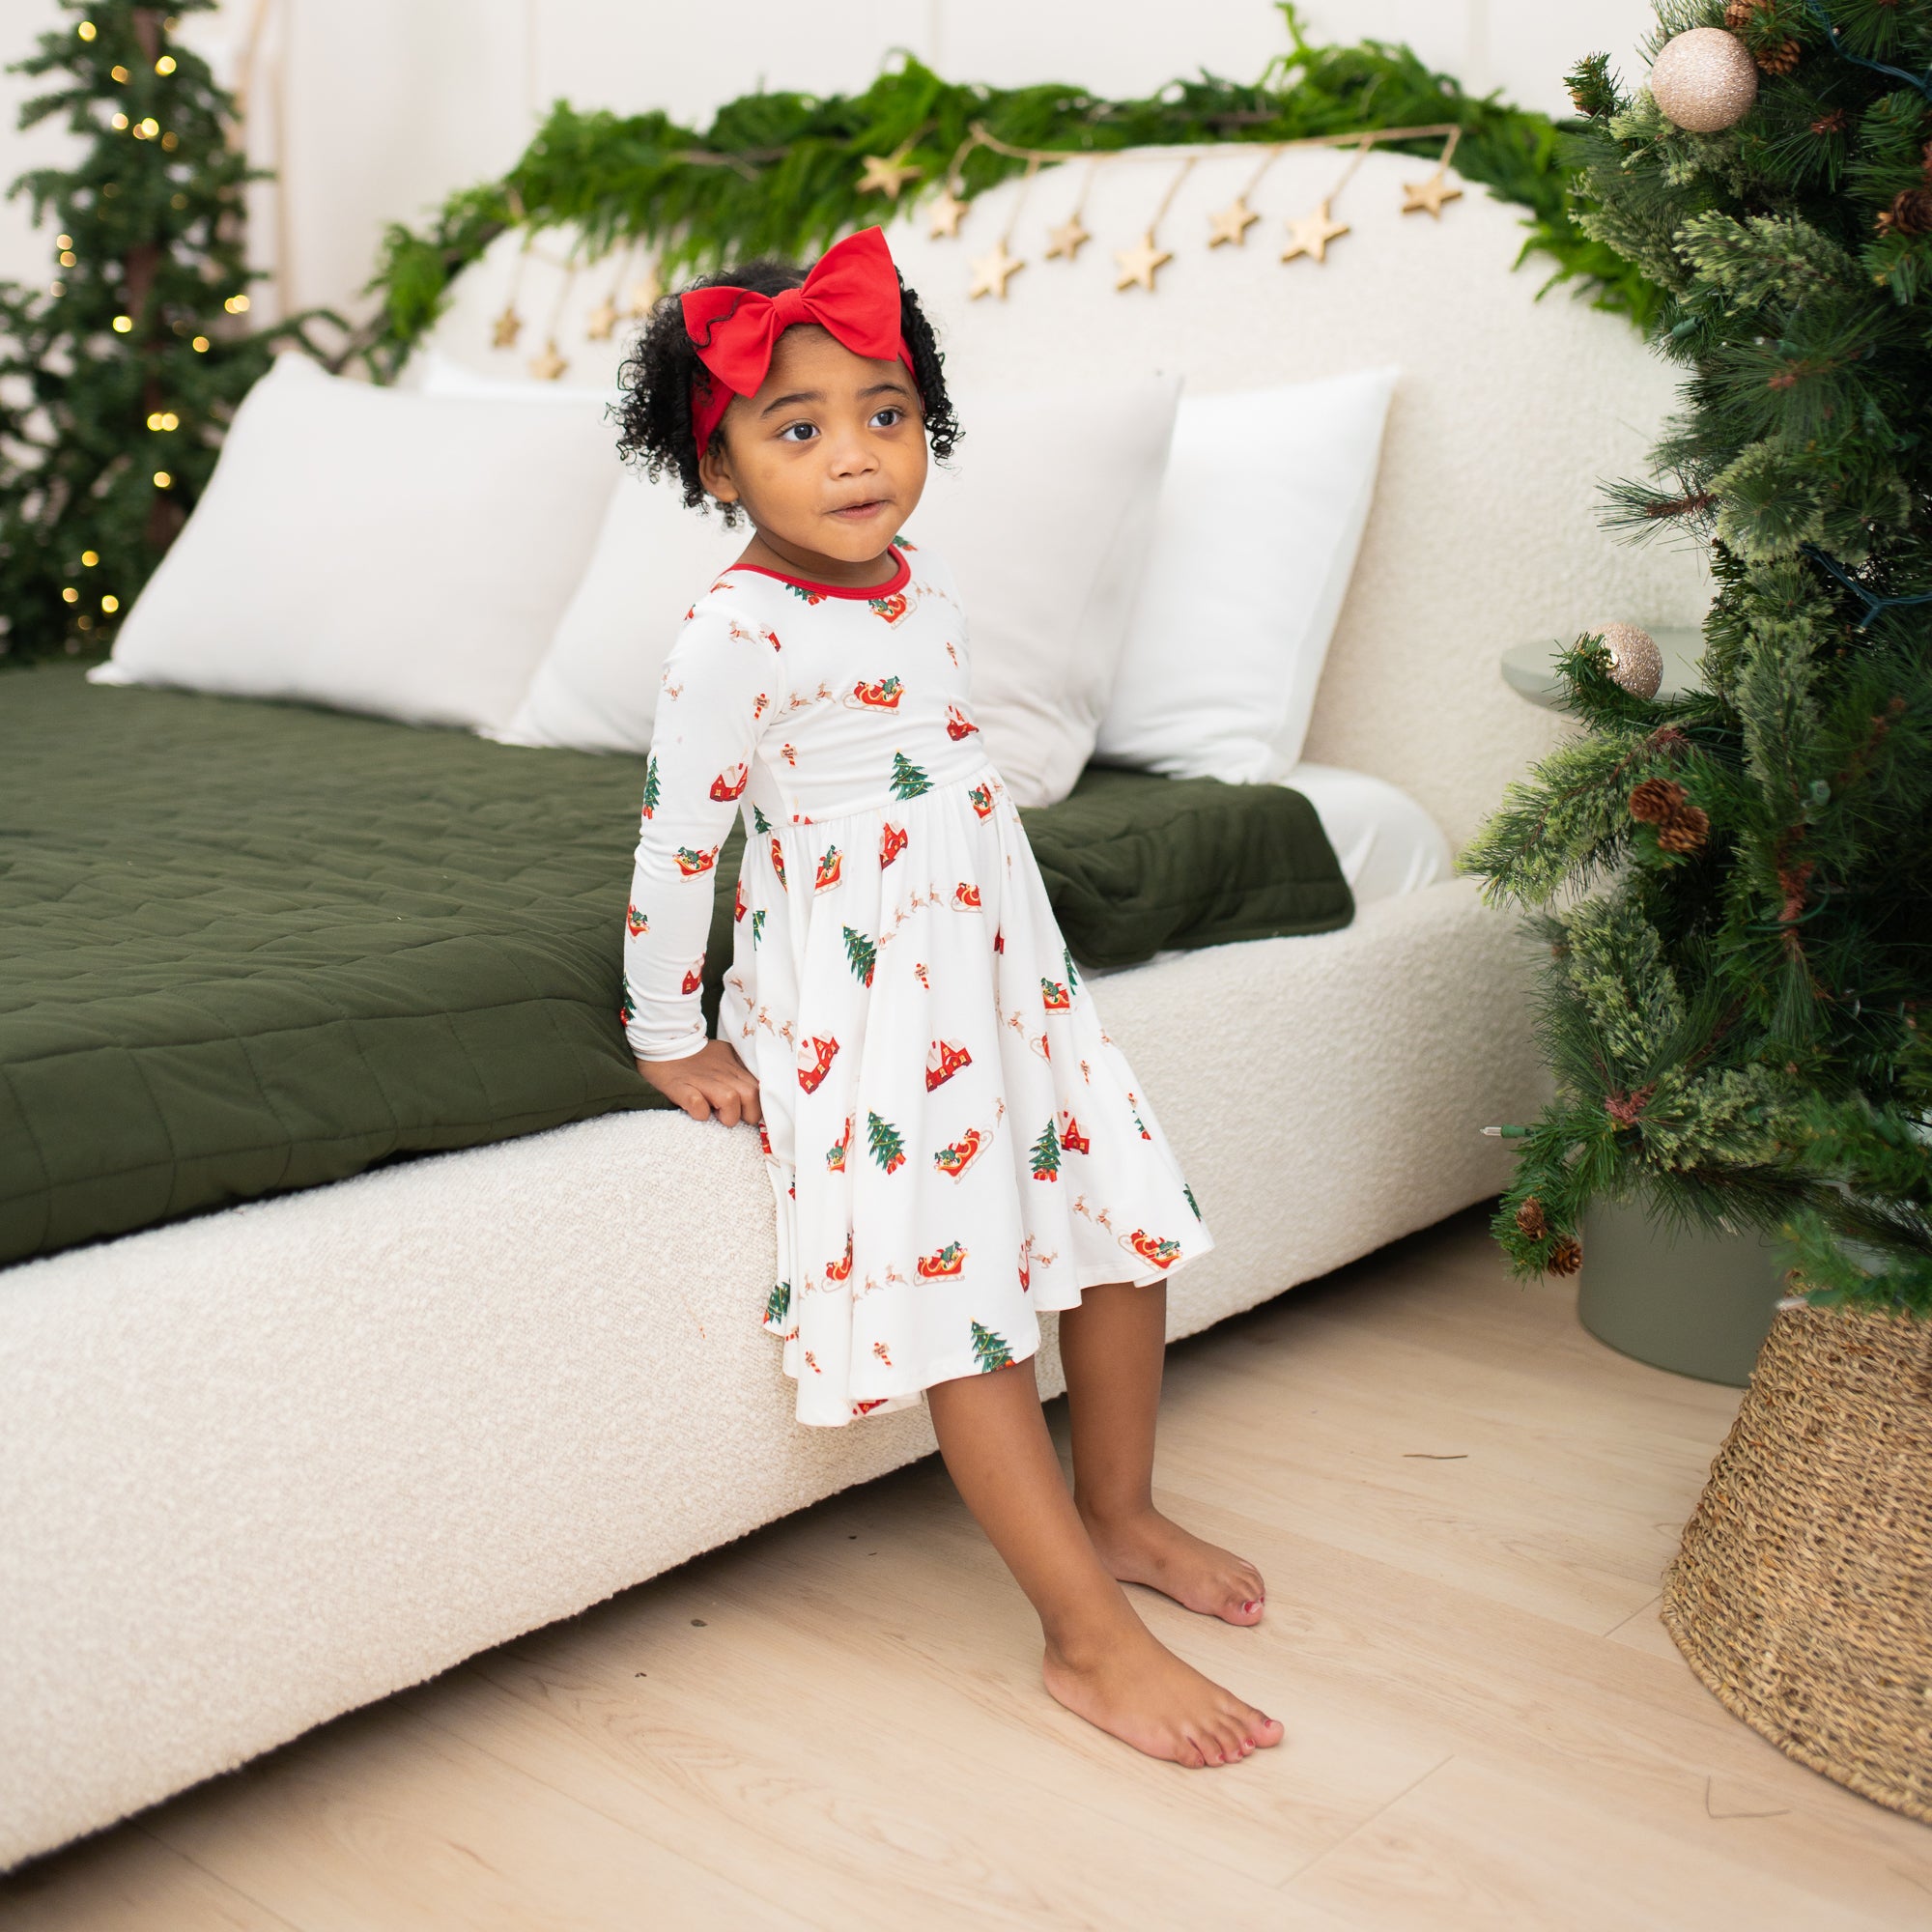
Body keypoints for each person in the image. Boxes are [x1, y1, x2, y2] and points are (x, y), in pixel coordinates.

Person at [612, 226, 1282, 1770]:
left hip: (994, 972)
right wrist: (670, 1030)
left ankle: (1119, 1513)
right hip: (861, 1000)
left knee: (1125, 1229)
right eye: (798, 428)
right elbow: (680, 842)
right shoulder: (732, 631)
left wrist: (1012, 967)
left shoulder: (923, 587)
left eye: (886, 413)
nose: (855, 458)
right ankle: (1085, 1641)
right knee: (961, 1296)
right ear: (721, 472)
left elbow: (946, 778)